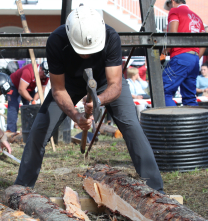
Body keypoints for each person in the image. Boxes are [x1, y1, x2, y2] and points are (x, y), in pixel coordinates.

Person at [13, 5, 164, 193]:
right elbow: (59, 90)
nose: (87, 54)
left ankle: (156, 191)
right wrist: (77, 117)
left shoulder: (111, 37)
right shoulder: (56, 41)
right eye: (81, 50)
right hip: (67, 85)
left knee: (132, 126)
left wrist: (98, 100)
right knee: (39, 130)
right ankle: (21, 190)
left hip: (106, 84)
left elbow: (116, 85)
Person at [162, 0, 206, 106]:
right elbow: (205, 42)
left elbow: (173, 36)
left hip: (180, 57)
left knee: (162, 92)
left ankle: (173, 122)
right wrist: (194, 57)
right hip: (194, 59)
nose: (169, 10)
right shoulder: (197, 17)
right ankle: (194, 123)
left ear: (172, 2)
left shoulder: (175, 11)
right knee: (190, 97)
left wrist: (164, 53)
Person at [6, 62, 50, 133]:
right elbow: (21, 89)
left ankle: (28, 131)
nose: (44, 77)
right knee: (13, 107)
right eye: (44, 75)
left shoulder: (46, 76)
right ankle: (11, 131)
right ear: (41, 69)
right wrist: (31, 99)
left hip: (29, 88)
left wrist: (34, 101)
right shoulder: (29, 71)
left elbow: (41, 91)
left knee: (30, 109)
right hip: (15, 85)